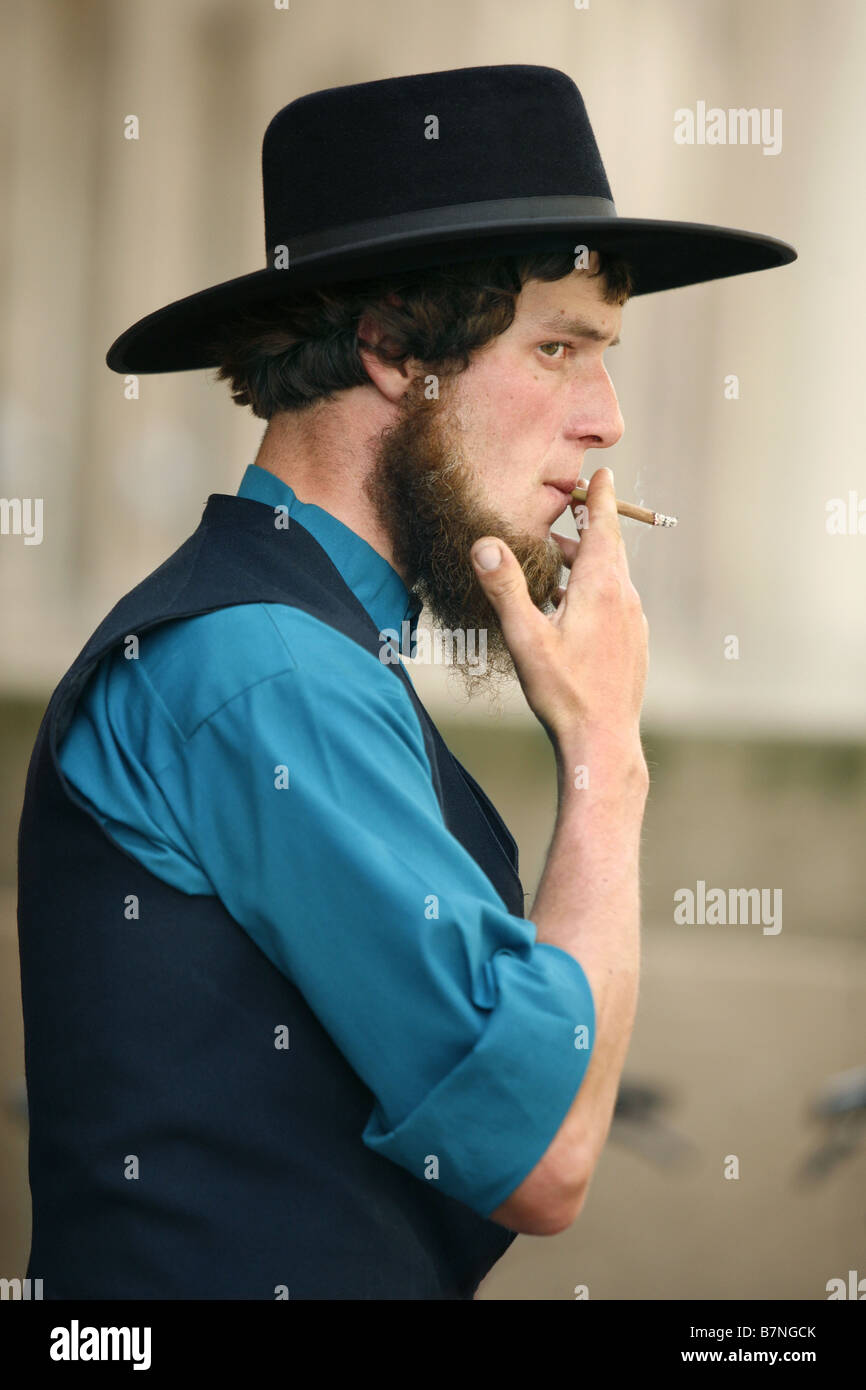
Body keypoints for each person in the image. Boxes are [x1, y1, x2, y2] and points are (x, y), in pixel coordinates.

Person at [16, 63, 796, 1300]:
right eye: (557, 348)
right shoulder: (263, 670)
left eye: (604, 356)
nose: (605, 420)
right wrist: (605, 753)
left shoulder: (305, 644)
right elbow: (542, 1153)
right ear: (390, 347)